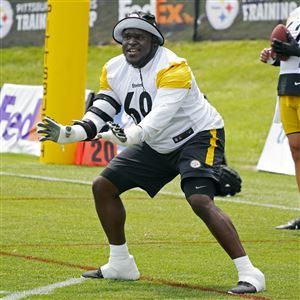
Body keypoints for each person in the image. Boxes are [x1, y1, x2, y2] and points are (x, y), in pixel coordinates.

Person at [37, 11, 265, 294]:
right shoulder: (114, 68)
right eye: (127, 36)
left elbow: (160, 116)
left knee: (199, 200)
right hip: (155, 142)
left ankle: (250, 272)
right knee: (103, 186)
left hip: (197, 136)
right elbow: (103, 107)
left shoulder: (174, 67)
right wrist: (73, 133)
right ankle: (120, 263)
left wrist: (130, 135)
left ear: (155, 40)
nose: (131, 42)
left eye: (139, 36)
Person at [260, 6, 300, 230]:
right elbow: (289, 55)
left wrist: (295, 49)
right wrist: (274, 57)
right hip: (287, 87)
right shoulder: (295, 12)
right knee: (296, 151)